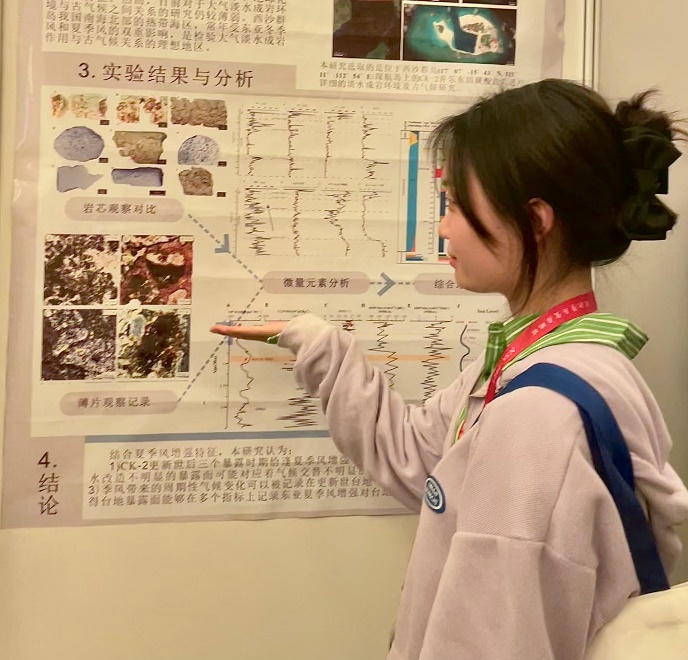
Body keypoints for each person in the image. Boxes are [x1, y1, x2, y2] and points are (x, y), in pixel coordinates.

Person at [212, 79, 688, 660]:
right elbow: (422, 459)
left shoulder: (536, 415)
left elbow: (489, 641)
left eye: (458, 205)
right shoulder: (562, 360)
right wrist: (321, 346)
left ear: (536, 220)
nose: (444, 227)